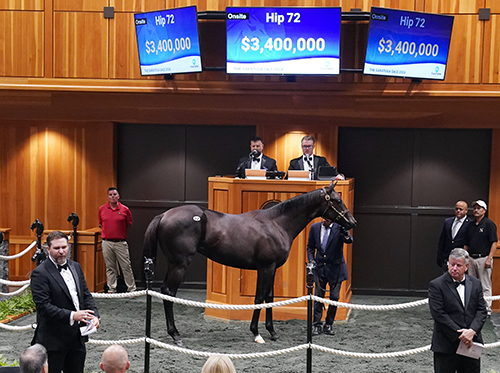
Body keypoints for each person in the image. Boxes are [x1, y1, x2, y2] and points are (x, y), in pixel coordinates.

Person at [30, 231, 100, 373]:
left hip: (77, 339)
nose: (61, 252)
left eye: (64, 247)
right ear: (48, 249)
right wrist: (72, 315)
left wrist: (95, 315)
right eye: (56, 248)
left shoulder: (76, 267)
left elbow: (85, 295)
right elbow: (43, 307)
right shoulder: (39, 273)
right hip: (53, 341)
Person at [428, 248, 487, 373]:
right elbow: (439, 314)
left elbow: (482, 310)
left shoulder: (476, 284)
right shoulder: (436, 285)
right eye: (451, 264)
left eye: (458, 265)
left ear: (466, 266)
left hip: (471, 344)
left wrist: (472, 331)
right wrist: (462, 335)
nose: (454, 268)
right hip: (446, 345)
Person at [307, 218, 352, 336]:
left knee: (334, 297)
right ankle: (317, 325)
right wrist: (311, 260)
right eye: (322, 217)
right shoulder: (315, 227)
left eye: (326, 219)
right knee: (318, 298)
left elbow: (349, 240)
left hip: (336, 270)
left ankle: (329, 324)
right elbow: (310, 247)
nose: (323, 220)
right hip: (320, 269)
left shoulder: (339, 228)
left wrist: (346, 232)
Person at [98, 187, 136, 294]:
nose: (113, 196)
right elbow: (100, 223)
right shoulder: (102, 209)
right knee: (110, 267)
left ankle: (132, 289)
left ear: (118, 196)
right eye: (110, 195)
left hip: (120, 243)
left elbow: (129, 223)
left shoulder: (125, 209)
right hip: (106, 242)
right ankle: (112, 289)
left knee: (126, 267)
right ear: (107, 197)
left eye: (114, 194)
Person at [464, 199, 498, 316]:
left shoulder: (489, 224)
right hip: (471, 259)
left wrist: (490, 258)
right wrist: (465, 257)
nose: (476, 210)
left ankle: (486, 309)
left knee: (485, 285)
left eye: (479, 208)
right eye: (475, 208)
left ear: (485, 211)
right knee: (471, 285)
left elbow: (494, 242)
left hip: (483, 259)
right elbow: (466, 243)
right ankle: (473, 308)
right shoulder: (471, 225)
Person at [437, 201, 471, 272]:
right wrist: (440, 256)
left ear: (466, 211)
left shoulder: (470, 224)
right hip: (447, 257)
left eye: (461, 209)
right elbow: (442, 239)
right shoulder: (448, 221)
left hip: (460, 258)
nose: (458, 211)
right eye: (456, 209)